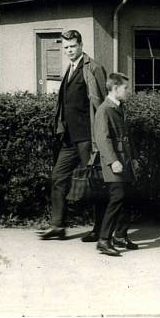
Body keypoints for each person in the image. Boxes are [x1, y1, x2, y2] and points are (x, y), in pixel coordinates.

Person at [40, 29, 107, 242]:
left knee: (95, 183)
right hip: (69, 138)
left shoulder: (93, 68)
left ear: (81, 45)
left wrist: (101, 137)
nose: (69, 50)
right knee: (58, 177)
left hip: (88, 138)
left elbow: (102, 105)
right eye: (66, 47)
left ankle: (100, 229)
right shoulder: (69, 69)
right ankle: (58, 226)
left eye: (73, 46)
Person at [93, 73, 138, 257]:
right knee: (117, 198)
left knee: (127, 198)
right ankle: (104, 240)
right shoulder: (104, 109)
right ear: (115, 88)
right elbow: (102, 139)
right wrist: (113, 161)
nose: (128, 91)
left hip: (125, 161)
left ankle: (120, 235)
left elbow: (127, 136)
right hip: (115, 162)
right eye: (125, 88)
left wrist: (134, 158)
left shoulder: (119, 107)